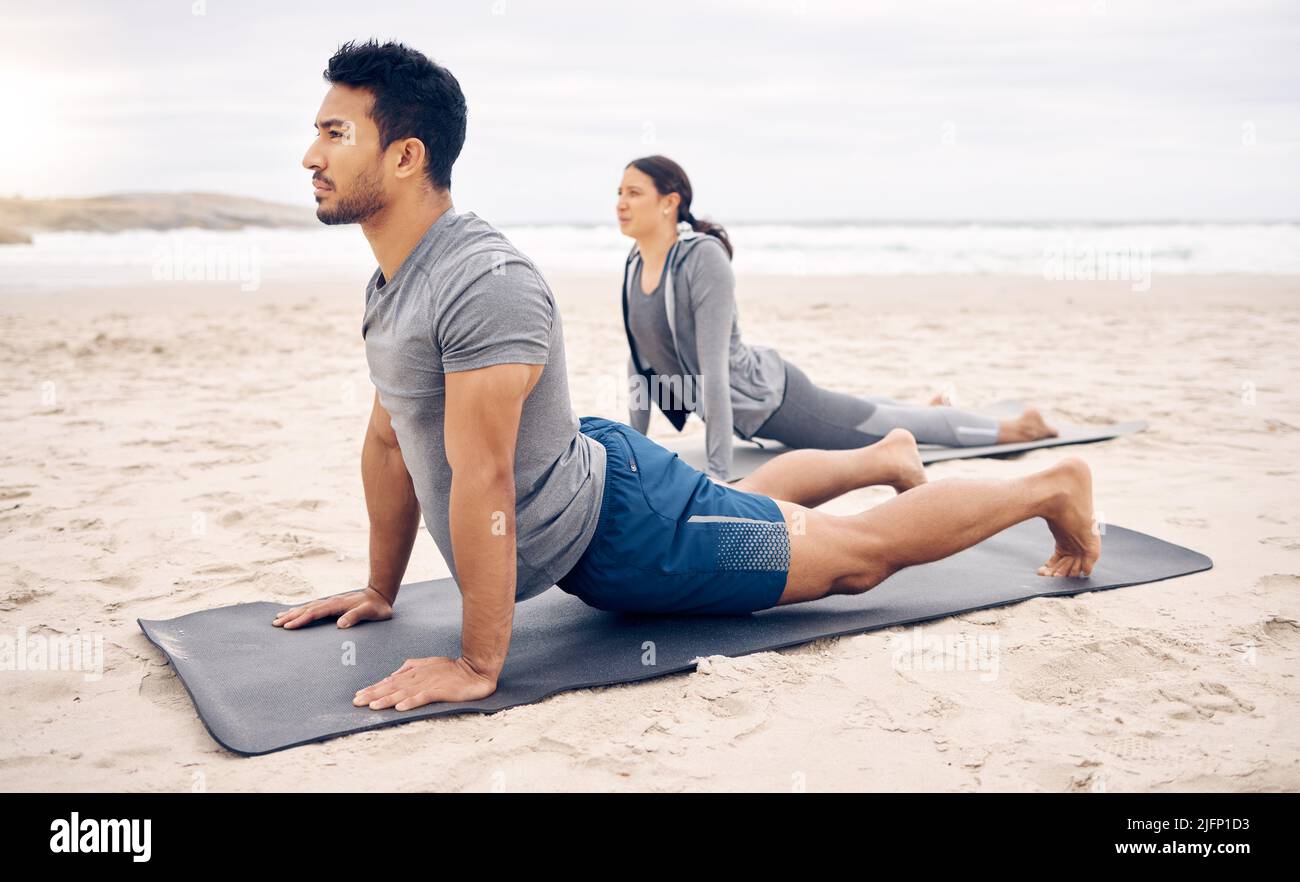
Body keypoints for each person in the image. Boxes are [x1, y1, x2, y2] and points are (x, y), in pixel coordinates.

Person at [272, 40, 1101, 714]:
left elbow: (485, 478)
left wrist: (479, 663)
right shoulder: (396, 282)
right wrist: (383, 589)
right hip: (603, 492)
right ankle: (883, 456)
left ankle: (1050, 485)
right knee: (750, 510)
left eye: (336, 133)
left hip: (633, 534)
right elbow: (390, 439)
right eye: (318, 130)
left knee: (855, 559)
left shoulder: (484, 284)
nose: (311, 154)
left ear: (407, 154)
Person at [617, 155, 1059, 482]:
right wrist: (635, 455)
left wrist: (718, 472)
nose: (621, 202)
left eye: (633, 193)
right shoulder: (635, 264)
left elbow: (713, 371)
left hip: (776, 400)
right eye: (619, 193)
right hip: (757, 407)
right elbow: (639, 365)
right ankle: (927, 405)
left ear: (669, 202)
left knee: (883, 430)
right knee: (859, 409)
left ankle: (1018, 427)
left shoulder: (703, 260)